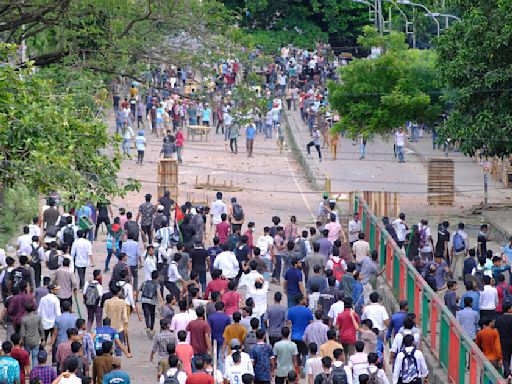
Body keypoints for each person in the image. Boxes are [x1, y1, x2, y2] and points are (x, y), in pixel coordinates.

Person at [20, 302, 44, 368]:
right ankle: (34, 371)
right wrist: (43, 338)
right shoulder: (38, 318)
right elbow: (41, 329)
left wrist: (21, 340)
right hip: (36, 339)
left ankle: (27, 370)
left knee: (26, 357)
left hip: (27, 340)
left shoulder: (24, 319)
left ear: (25, 310)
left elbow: (22, 332)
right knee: (35, 356)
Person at [140, 270, 164, 336]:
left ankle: (148, 327)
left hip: (144, 300)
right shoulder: (157, 285)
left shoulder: (145, 282)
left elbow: (140, 289)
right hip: (152, 302)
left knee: (146, 314)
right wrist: (162, 302)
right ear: (158, 277)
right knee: (152, 314)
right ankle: (151, 329)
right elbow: (159, 294)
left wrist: (136, 299)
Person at [495, 302, 512, 377]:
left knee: (505, 358)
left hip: (502, 340)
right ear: (509, 309)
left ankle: (507, 373)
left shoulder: (499, 319)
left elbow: (496, 330)